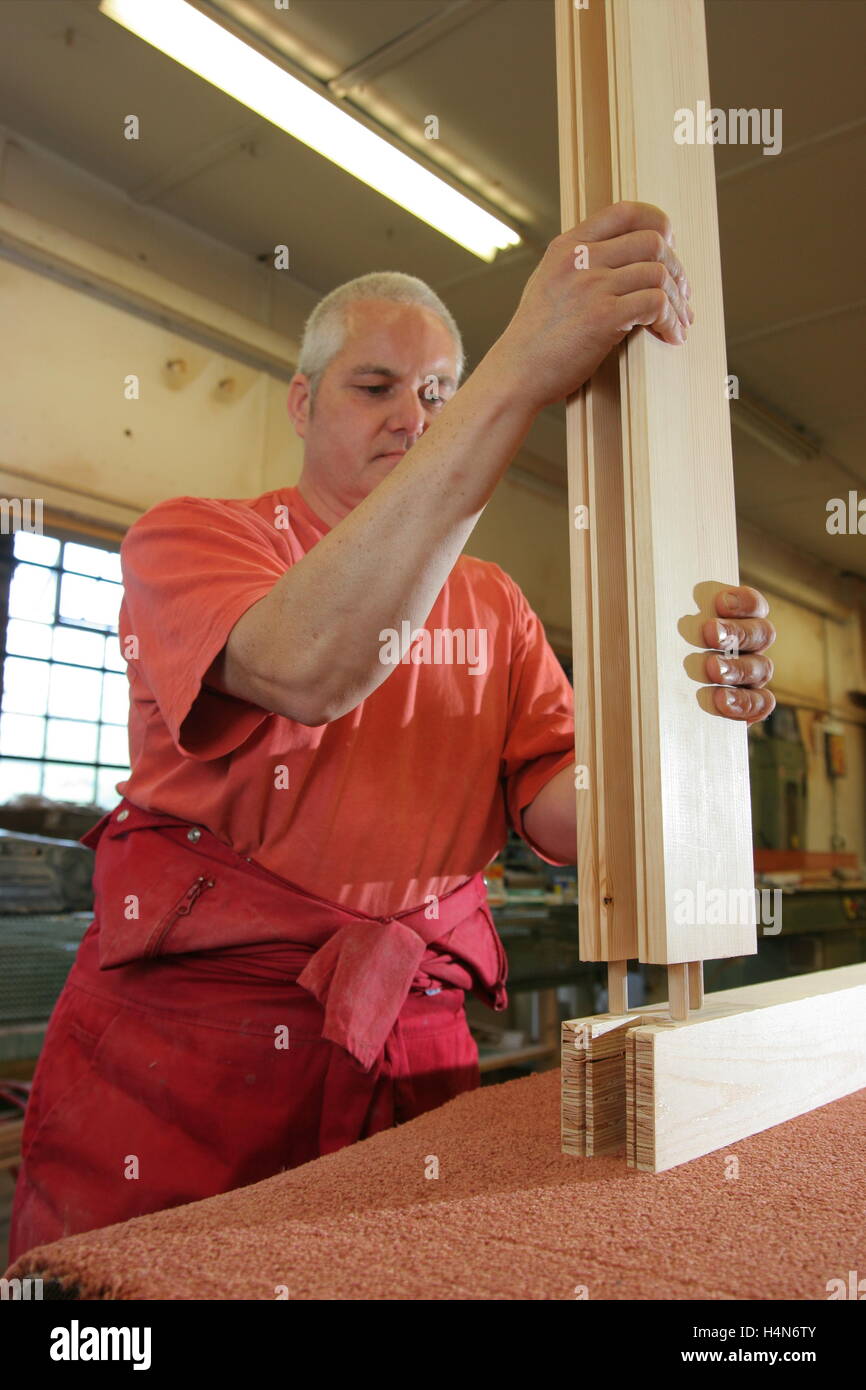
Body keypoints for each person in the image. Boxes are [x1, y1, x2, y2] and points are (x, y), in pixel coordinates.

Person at [8, 200, 775, 1260]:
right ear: (301, 398)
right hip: (191, 1050)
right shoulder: (192, 537)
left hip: (412, 1041)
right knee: (135, 1294)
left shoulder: (497, 605)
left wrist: (677, 719)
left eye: (437, 394)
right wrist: (519, 368)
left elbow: (563, 818)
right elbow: (308, 664)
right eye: (375, 388)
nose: (410, 419)